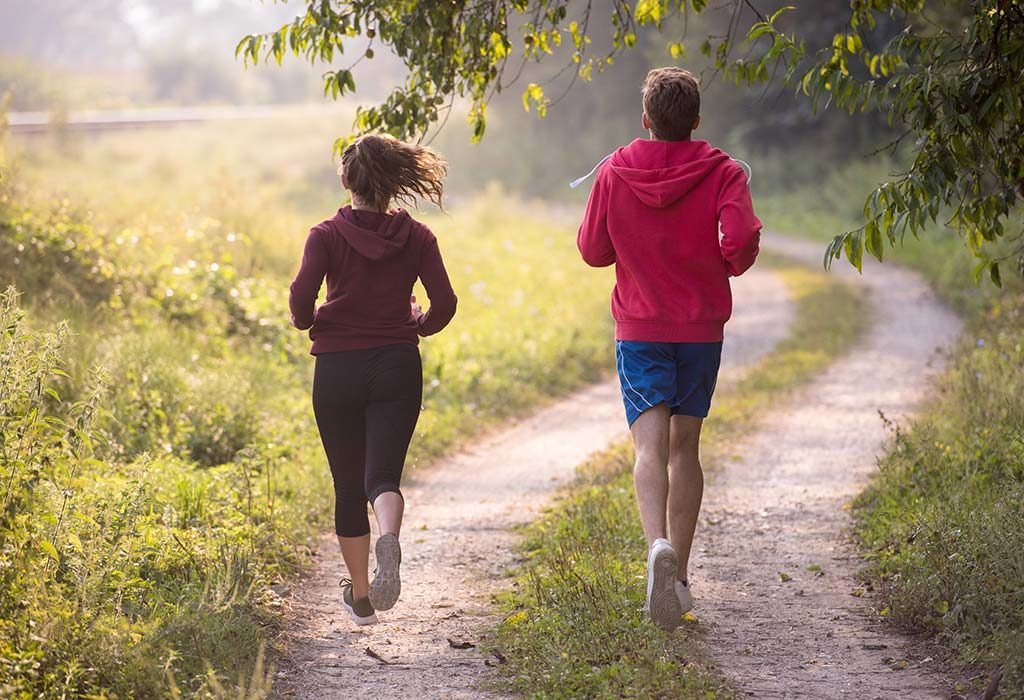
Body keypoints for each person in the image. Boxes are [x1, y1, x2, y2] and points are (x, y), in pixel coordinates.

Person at [576, 67, 761, 631]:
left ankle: (656, 545)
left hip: (640, 329)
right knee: (686, 449)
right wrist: (729, 263)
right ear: (696, 121)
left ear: (646, 119)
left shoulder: (614, 171)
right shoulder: (724, 171)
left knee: (648, 449)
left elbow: (591, 249)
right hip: (700, 329)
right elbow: (743, 238)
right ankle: (678, 577)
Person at [289, 133, 457, 626]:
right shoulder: (419, 238)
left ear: (346, 181)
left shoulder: (324, 235)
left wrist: (314, 316)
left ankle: (362, 596)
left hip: (337, 367)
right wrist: (418, 324)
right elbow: (444, 303)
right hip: (397, 364)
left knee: (346, 485)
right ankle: (390, 537)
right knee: (382, 476)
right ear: (393, 182)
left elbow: (301, 303)